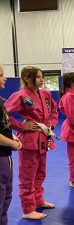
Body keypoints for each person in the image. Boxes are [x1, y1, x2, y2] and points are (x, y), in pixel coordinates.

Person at [5, 66, 58, 219]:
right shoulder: (20, 95)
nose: (42, 80)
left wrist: (51, 125)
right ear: (27, 79)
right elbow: (4, 114)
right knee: (27, 176)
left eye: (42, 76)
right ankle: (28, 209)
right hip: (29, 140)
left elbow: (54, 111)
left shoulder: (46, 94)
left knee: (40, 173)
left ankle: (38, 200)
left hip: (43, 137)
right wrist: (21, 126)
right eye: (38, 77)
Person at [0, 66, 22, 225]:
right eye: (1, 75)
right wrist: (12, 143)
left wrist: (14, 137)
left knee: (6, 194)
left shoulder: (1, 101)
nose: (5, 78)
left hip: (6, 155)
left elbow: (4, 126)